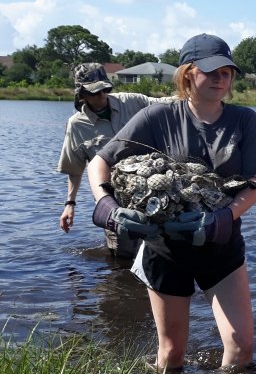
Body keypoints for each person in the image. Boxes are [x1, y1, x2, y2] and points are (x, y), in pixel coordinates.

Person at [86, 33, 256, 371]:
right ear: (188, 73)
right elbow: (100, 161)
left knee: (241, 346)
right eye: (211, 71)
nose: (221, 78)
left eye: (227, 72)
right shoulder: (157, 116)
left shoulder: (244, 120)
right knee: (172, 352)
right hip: (166, 250)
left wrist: (224, 218)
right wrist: (107, 207)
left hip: (221, 245)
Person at [57, 63, 173, 258]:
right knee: (122, 257)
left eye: (105, 89)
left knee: (162, 252)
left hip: (152, 192)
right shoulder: (76, 125)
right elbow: (74, 168)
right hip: (113, 201)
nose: (102, 96)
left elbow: (165, 103)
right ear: (81, 94)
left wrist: (194, 93)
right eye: (94, 92)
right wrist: (70, 204)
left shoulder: (132, 102)